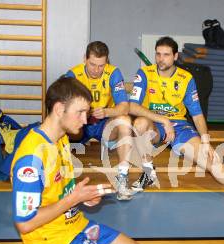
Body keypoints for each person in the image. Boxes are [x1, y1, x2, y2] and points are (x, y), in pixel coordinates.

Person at [9, 77, 150, 244]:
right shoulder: (30, 160)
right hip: (52, 243)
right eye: (80, 112)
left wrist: (84, 196)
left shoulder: (61, 138)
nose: (85, 120)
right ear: (59, 109)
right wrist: (73, 199)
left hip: (74, 225)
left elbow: (61, 188)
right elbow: (25, 224)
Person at [129, 36, 224, 211]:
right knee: (140, 124)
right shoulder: (144, 74)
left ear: (175, 56)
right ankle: (148, 172)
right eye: (158, 54)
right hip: (155, 124)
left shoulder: (186, 78)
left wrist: (205, 141)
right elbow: (132, 106)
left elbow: (197, 114)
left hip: (180, 127)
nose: (160, 59)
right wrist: (163, 120)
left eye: (166, 55)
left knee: (210, 160)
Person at [66, 41, 174, 201]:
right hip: (80, 123)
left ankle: (122, 178)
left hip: (104, 123)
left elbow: (124, 107)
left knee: (124, 120)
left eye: (101, 65)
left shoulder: (113, 73)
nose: (96, 70)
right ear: (85, 59)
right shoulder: (73, 75)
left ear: (107, 62)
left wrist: (106, 111)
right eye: (92, 64)